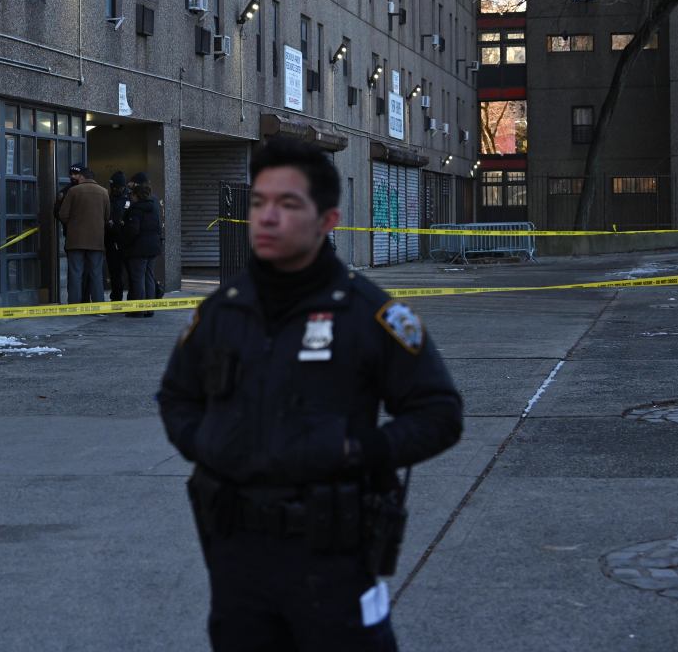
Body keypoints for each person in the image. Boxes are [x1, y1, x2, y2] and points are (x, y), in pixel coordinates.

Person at [157, 138, 463, 652]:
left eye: (288, 204)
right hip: (236, 552)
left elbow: (439, 413)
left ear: (328, 220)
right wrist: (208, 444)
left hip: (333, 552)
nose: (268, 217)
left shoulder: (368, 313)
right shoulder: (221, 311)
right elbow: (176, 396)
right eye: (259, 203)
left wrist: (357, 453)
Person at [58, 166, 109, 304]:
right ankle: (99, 305)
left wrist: (73, 226)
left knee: (75, 274)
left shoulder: (73, 191)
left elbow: (62, 214)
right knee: (96, 274)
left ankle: (75, 306)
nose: (74, 178)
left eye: (77, 176)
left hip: (75, 240)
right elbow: (106, 216)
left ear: (82, 177)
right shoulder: (104, 192)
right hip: (96, 241)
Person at [122, 172, 161, 317]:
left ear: (137, 195)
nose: (130, 196)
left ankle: (138, 309)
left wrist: (125, 241)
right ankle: (149, 309)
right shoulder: (154, 204)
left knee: (138, 279)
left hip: (138, 249)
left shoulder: (136, 209)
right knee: (149, 277)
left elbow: (133, 230)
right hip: (153, 247)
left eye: (132, 194)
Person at [105, 171, 131, 302]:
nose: (116, 190)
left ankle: (132, 298)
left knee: (130, 272)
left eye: (118, 187)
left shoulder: (129, 198)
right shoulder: (109, 198)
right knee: (115, 272)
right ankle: (116, 297)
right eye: (114, 187)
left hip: (125, 241)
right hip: (111, 240)